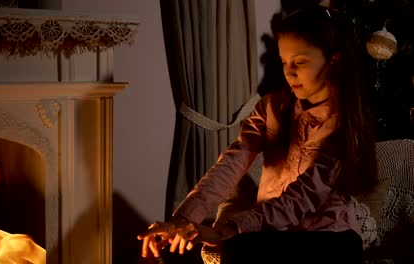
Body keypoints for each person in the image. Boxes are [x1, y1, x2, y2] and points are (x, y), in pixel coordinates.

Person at [138, 5, 378, 263]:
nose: (290, 72)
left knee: (243, 247)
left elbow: (300, 200)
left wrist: (224, 230)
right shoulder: (271, 107)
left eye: (300, 62)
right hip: (275, 230)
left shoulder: (342, 125)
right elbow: (231, 163)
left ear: (334, 60)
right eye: (284, 62)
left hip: (328, 237)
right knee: (231, 249)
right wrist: (184, 219)